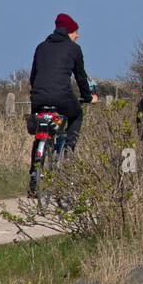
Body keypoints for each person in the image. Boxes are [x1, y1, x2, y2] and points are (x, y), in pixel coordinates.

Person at [27, 13, 96, 195]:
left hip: (38, 98)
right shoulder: (74, 49)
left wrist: (38, 94)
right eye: (75, 32)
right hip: (62, 97)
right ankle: (67, 153)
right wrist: (88, 97)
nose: (77, 36)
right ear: (69, 32)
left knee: (40, 133)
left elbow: (33, 76)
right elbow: (80, 77)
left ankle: (34, 174)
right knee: (77, 115)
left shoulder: (41, 47)